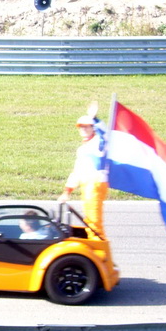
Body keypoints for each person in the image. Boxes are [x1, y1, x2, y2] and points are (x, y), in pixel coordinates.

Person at [58, 102, 108, 238]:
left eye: (87, 127)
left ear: (93, 128)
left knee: (94, 222)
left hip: (95, 184)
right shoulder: (83, 149)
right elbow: (77, 171)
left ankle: (100, 253)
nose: (83, 129)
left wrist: (96, 118)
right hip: (86, 185)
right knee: (89, 220)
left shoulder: (98, 143)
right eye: (81, 127)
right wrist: (67, 191)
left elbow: (105, 135)